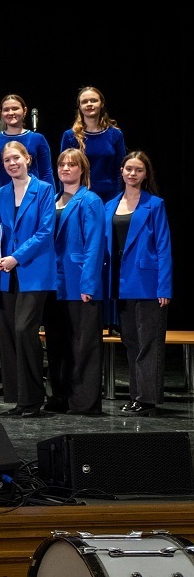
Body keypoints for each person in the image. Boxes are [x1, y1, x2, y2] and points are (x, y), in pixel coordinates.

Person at [0, 140, 56, 417]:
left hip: (34, 271)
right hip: (7, 273)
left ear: (28, 159)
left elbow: (44, 232)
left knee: (24, 330)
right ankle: (19, 400)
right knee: (10, 336)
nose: (12, 163)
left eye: (16, 158)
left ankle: (32, 398)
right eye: (7, 160)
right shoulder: (2, 193)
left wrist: (16, 256)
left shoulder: (44, 189)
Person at [105, 151, 172, 417]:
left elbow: (164, 247)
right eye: (128, 169)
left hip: (147, 282)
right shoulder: (109, 205)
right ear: (121, 171)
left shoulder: (154, 204)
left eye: (138, 170)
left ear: (146, 175)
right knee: (131, 342)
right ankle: (136, 396)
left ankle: (147, 398)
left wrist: (164, 287)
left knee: (149, 343)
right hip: (120, 282)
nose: (132, 174)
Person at [44, 148, 105, 415]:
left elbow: (94, 245)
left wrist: (88, 284)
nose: (66, 168)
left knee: (83, 346)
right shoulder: (52, 200)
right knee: (58, 345)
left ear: (82, 170)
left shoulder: (90, 200)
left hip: (79, 282)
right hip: (55, 283)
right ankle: (60, 396)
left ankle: (84, 402)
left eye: (72, 164)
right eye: (62, 164)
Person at [0, 94, 54, 204]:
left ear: (24, 110)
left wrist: (48, 201)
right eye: (6, 110)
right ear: (1, 113)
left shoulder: (37, 139)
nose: (10, 113)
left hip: (32, 199)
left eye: (15, 108)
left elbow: (46, 173)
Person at [59, 86, 126, 203]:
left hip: (110, 197)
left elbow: (120, 171)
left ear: (102, 104)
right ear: (79, 106)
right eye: (84, 102)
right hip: (79, 197)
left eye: (94, 100)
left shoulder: (115, 134)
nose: (89, 104)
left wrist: (120, 199)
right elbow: (64, 172)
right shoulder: (70, 136)